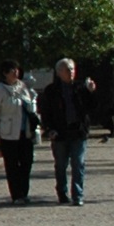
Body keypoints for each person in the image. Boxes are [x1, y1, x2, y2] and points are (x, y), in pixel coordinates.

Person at [41, 56, 98, 205]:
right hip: (60, 133)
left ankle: (77, 195)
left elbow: (91, 108)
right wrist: (49, 129)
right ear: (59, 72)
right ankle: (62, 192)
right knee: (61, 165)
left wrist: (91, 92)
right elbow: (46, 112)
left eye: (72, 69)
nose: (71, 72)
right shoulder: (51, 90)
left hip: (78, 132)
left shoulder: (81, 88)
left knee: (78, 163)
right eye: (67, 69)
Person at [0, 61, 38, 204]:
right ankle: (16, 195)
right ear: (4, 73)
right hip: (8, 133)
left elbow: (30, 107)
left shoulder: (22, 87)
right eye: (11, 70)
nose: (15, 72)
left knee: (27, 163)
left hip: (25, 132)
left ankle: (24, 192)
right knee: (12, 165)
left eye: (16, 70)